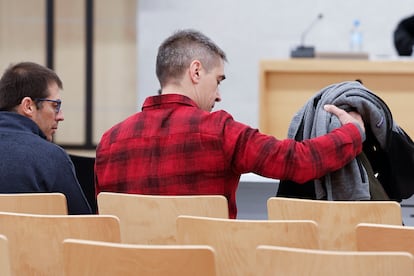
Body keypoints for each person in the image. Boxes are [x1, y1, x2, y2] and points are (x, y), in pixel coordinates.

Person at [95, 29, 365, 219]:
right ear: (196, 71)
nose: (219, 95)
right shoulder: (219, 131)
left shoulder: (109, 141)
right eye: (219, 80)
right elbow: (297, 160)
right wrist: (352, 133)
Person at [0, 61, 92, 214]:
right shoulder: (51, 158)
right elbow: (83, 226)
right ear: (28, 106)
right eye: (55, 106)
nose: (61, 116)